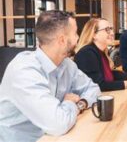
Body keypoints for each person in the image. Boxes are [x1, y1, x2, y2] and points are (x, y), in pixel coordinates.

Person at [0, 10, 100, 142]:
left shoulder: (67, 65)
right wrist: (70, 103)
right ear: (62, 40)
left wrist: (81, 104)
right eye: (75, 33)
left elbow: (93, 89)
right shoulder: (24, 70)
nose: (78, 38)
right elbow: (58, 124)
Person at [74, 18, 127, 91]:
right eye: (107, 30)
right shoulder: (87, 53)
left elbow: (109, 74)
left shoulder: (100, 51)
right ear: (94, 35)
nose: (112, 33)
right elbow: (98, 85)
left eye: (111, 29)